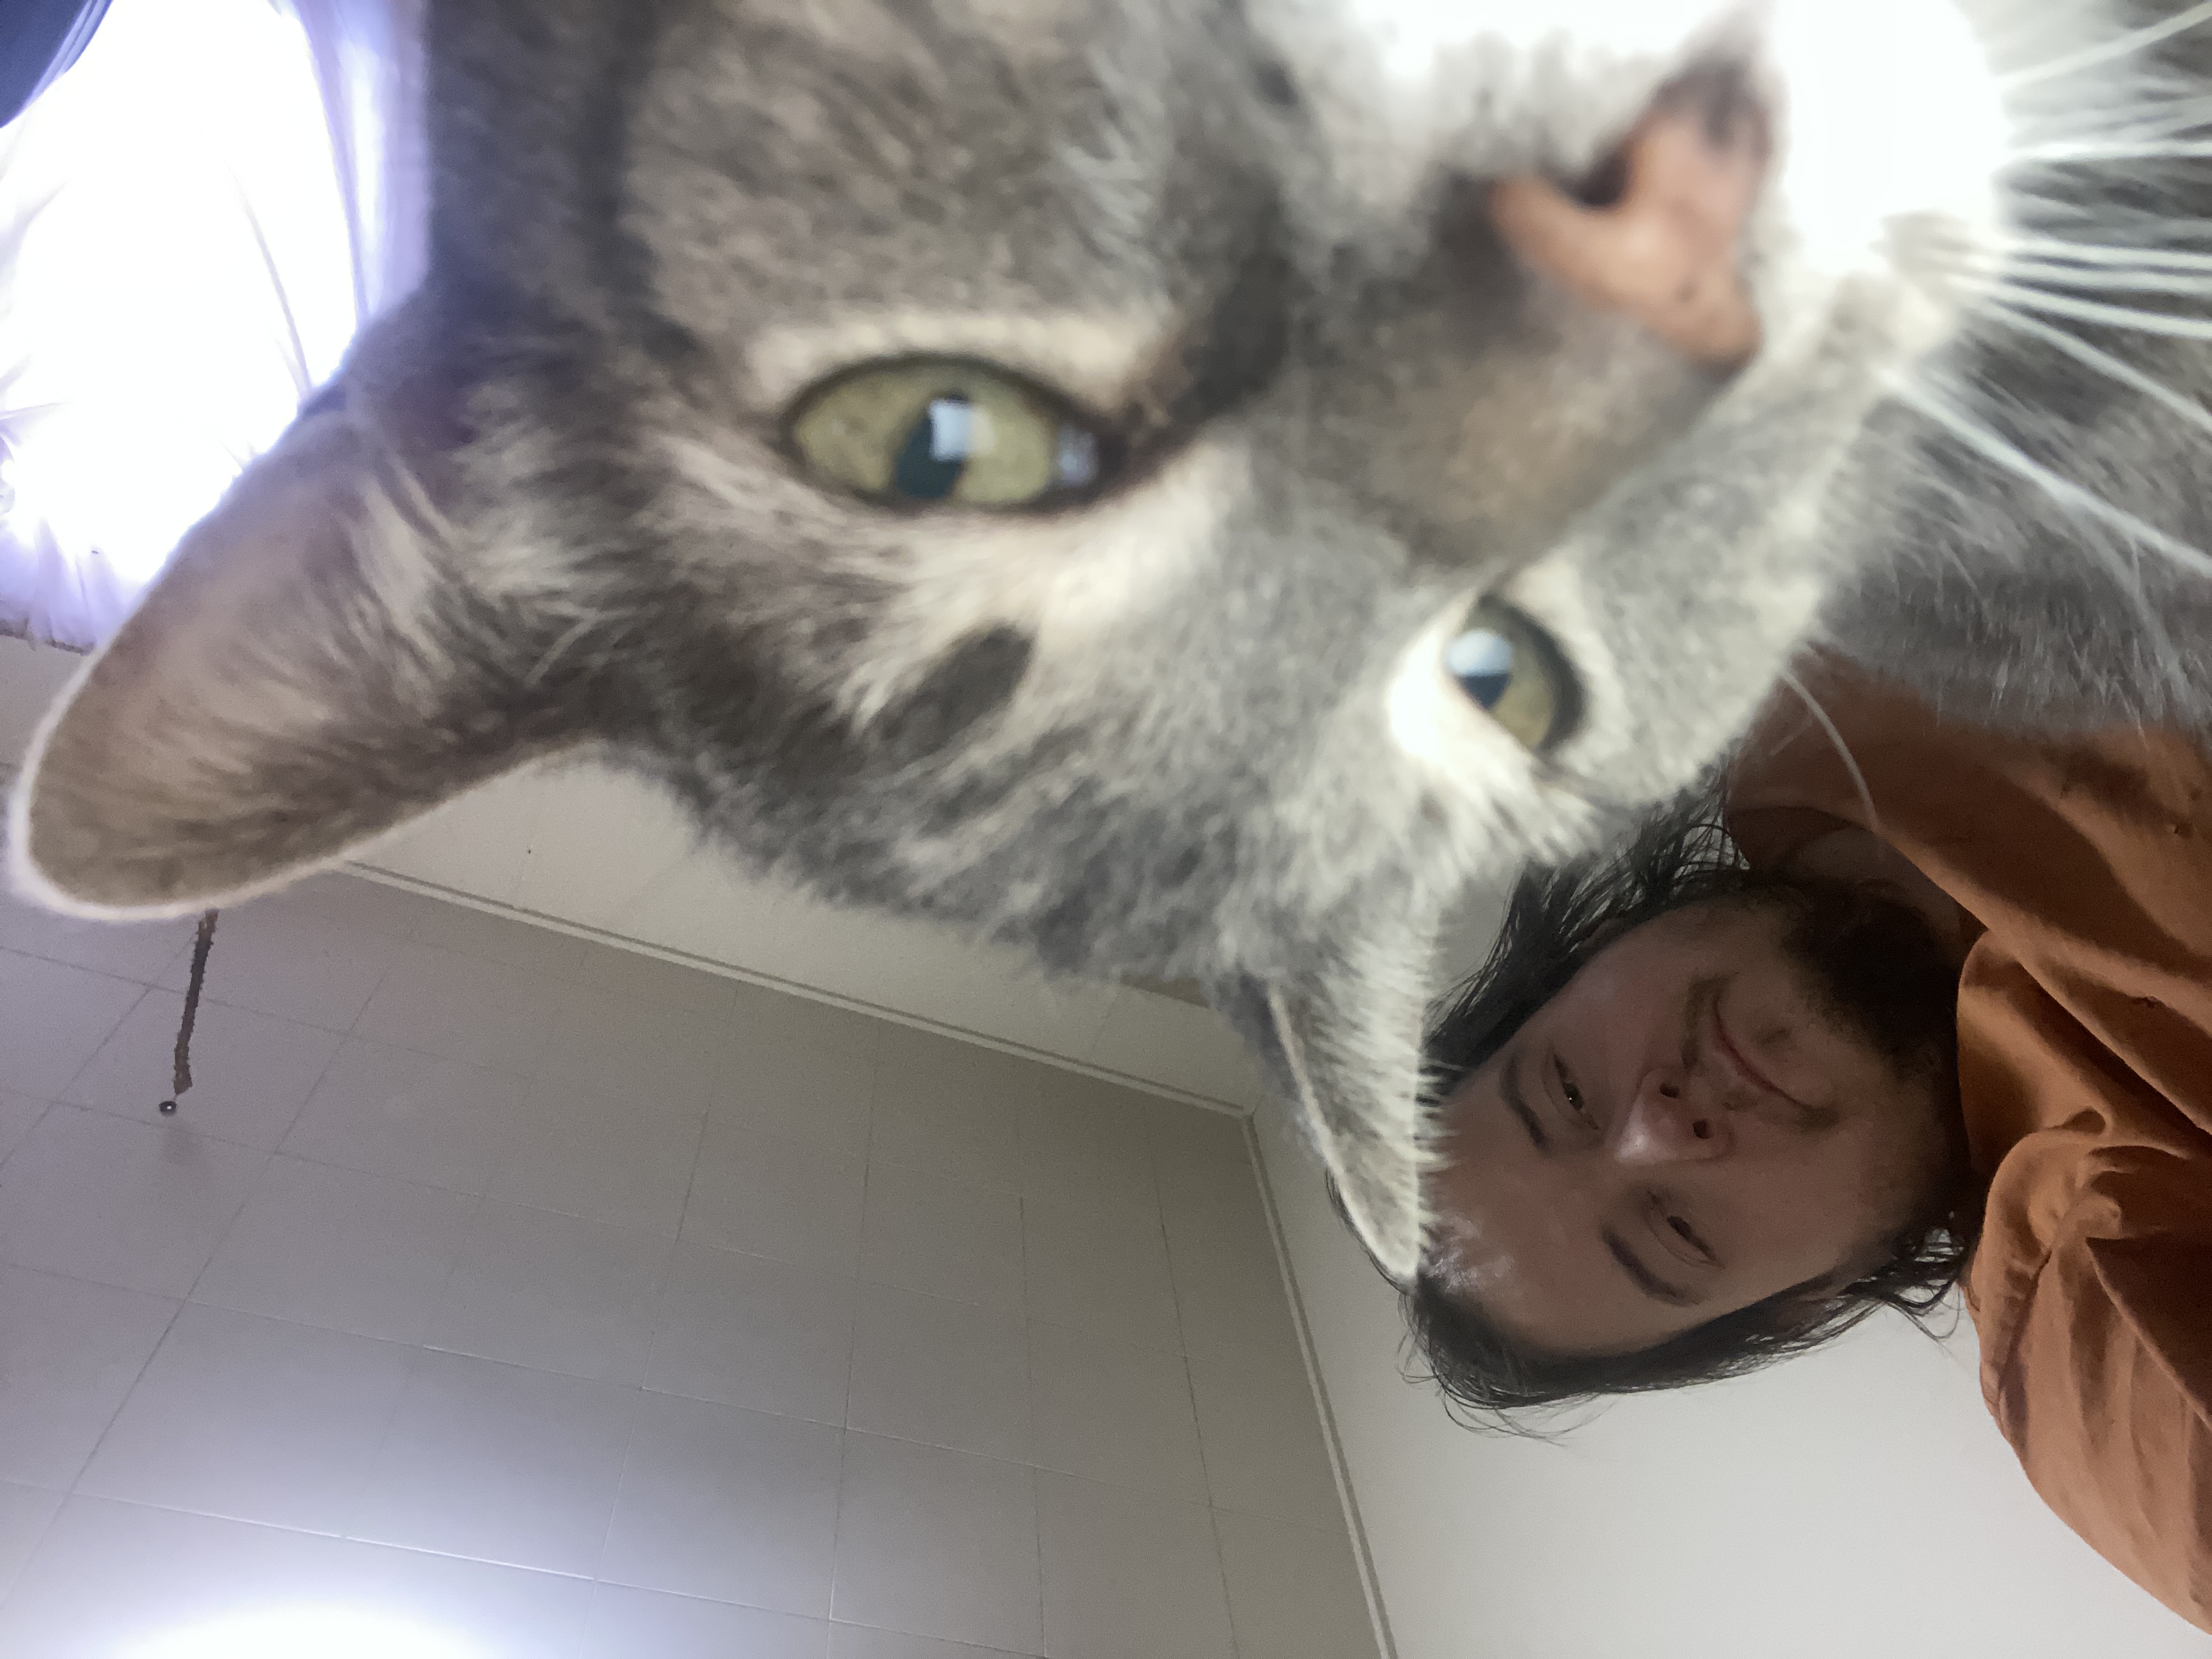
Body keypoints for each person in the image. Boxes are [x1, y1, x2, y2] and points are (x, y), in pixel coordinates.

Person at [1393, 652, 2212, 1633]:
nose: (1660, 1129)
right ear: (1806, 1298)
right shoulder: (2104, 1328)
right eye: (1674, 1232)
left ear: (1590, 949)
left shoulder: (1831, 672)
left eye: (1567, 1092)